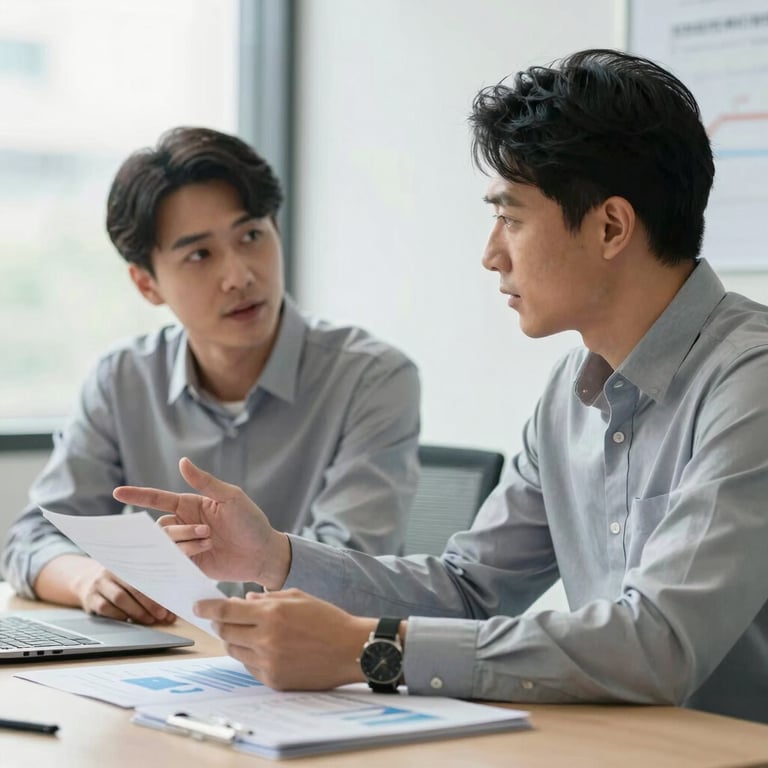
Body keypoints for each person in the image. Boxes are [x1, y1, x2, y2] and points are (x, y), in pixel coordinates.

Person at [112, 49, 768, 724]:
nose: (491, 253)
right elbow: (470, 588)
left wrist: (373, 648)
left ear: (610, 227)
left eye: (510, 217)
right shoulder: (570, 393)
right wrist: (274, 556)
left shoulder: (752, 383)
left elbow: (657, 644)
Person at [1, 127, 420, 625]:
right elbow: (32, 539)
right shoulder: (122, 380)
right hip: (164, 669)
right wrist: (92, 579)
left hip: (313, 674)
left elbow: (355, 575)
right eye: (200, 254)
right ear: (146, 283)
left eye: (251, 236)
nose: (239, 275)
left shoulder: (371, 377)